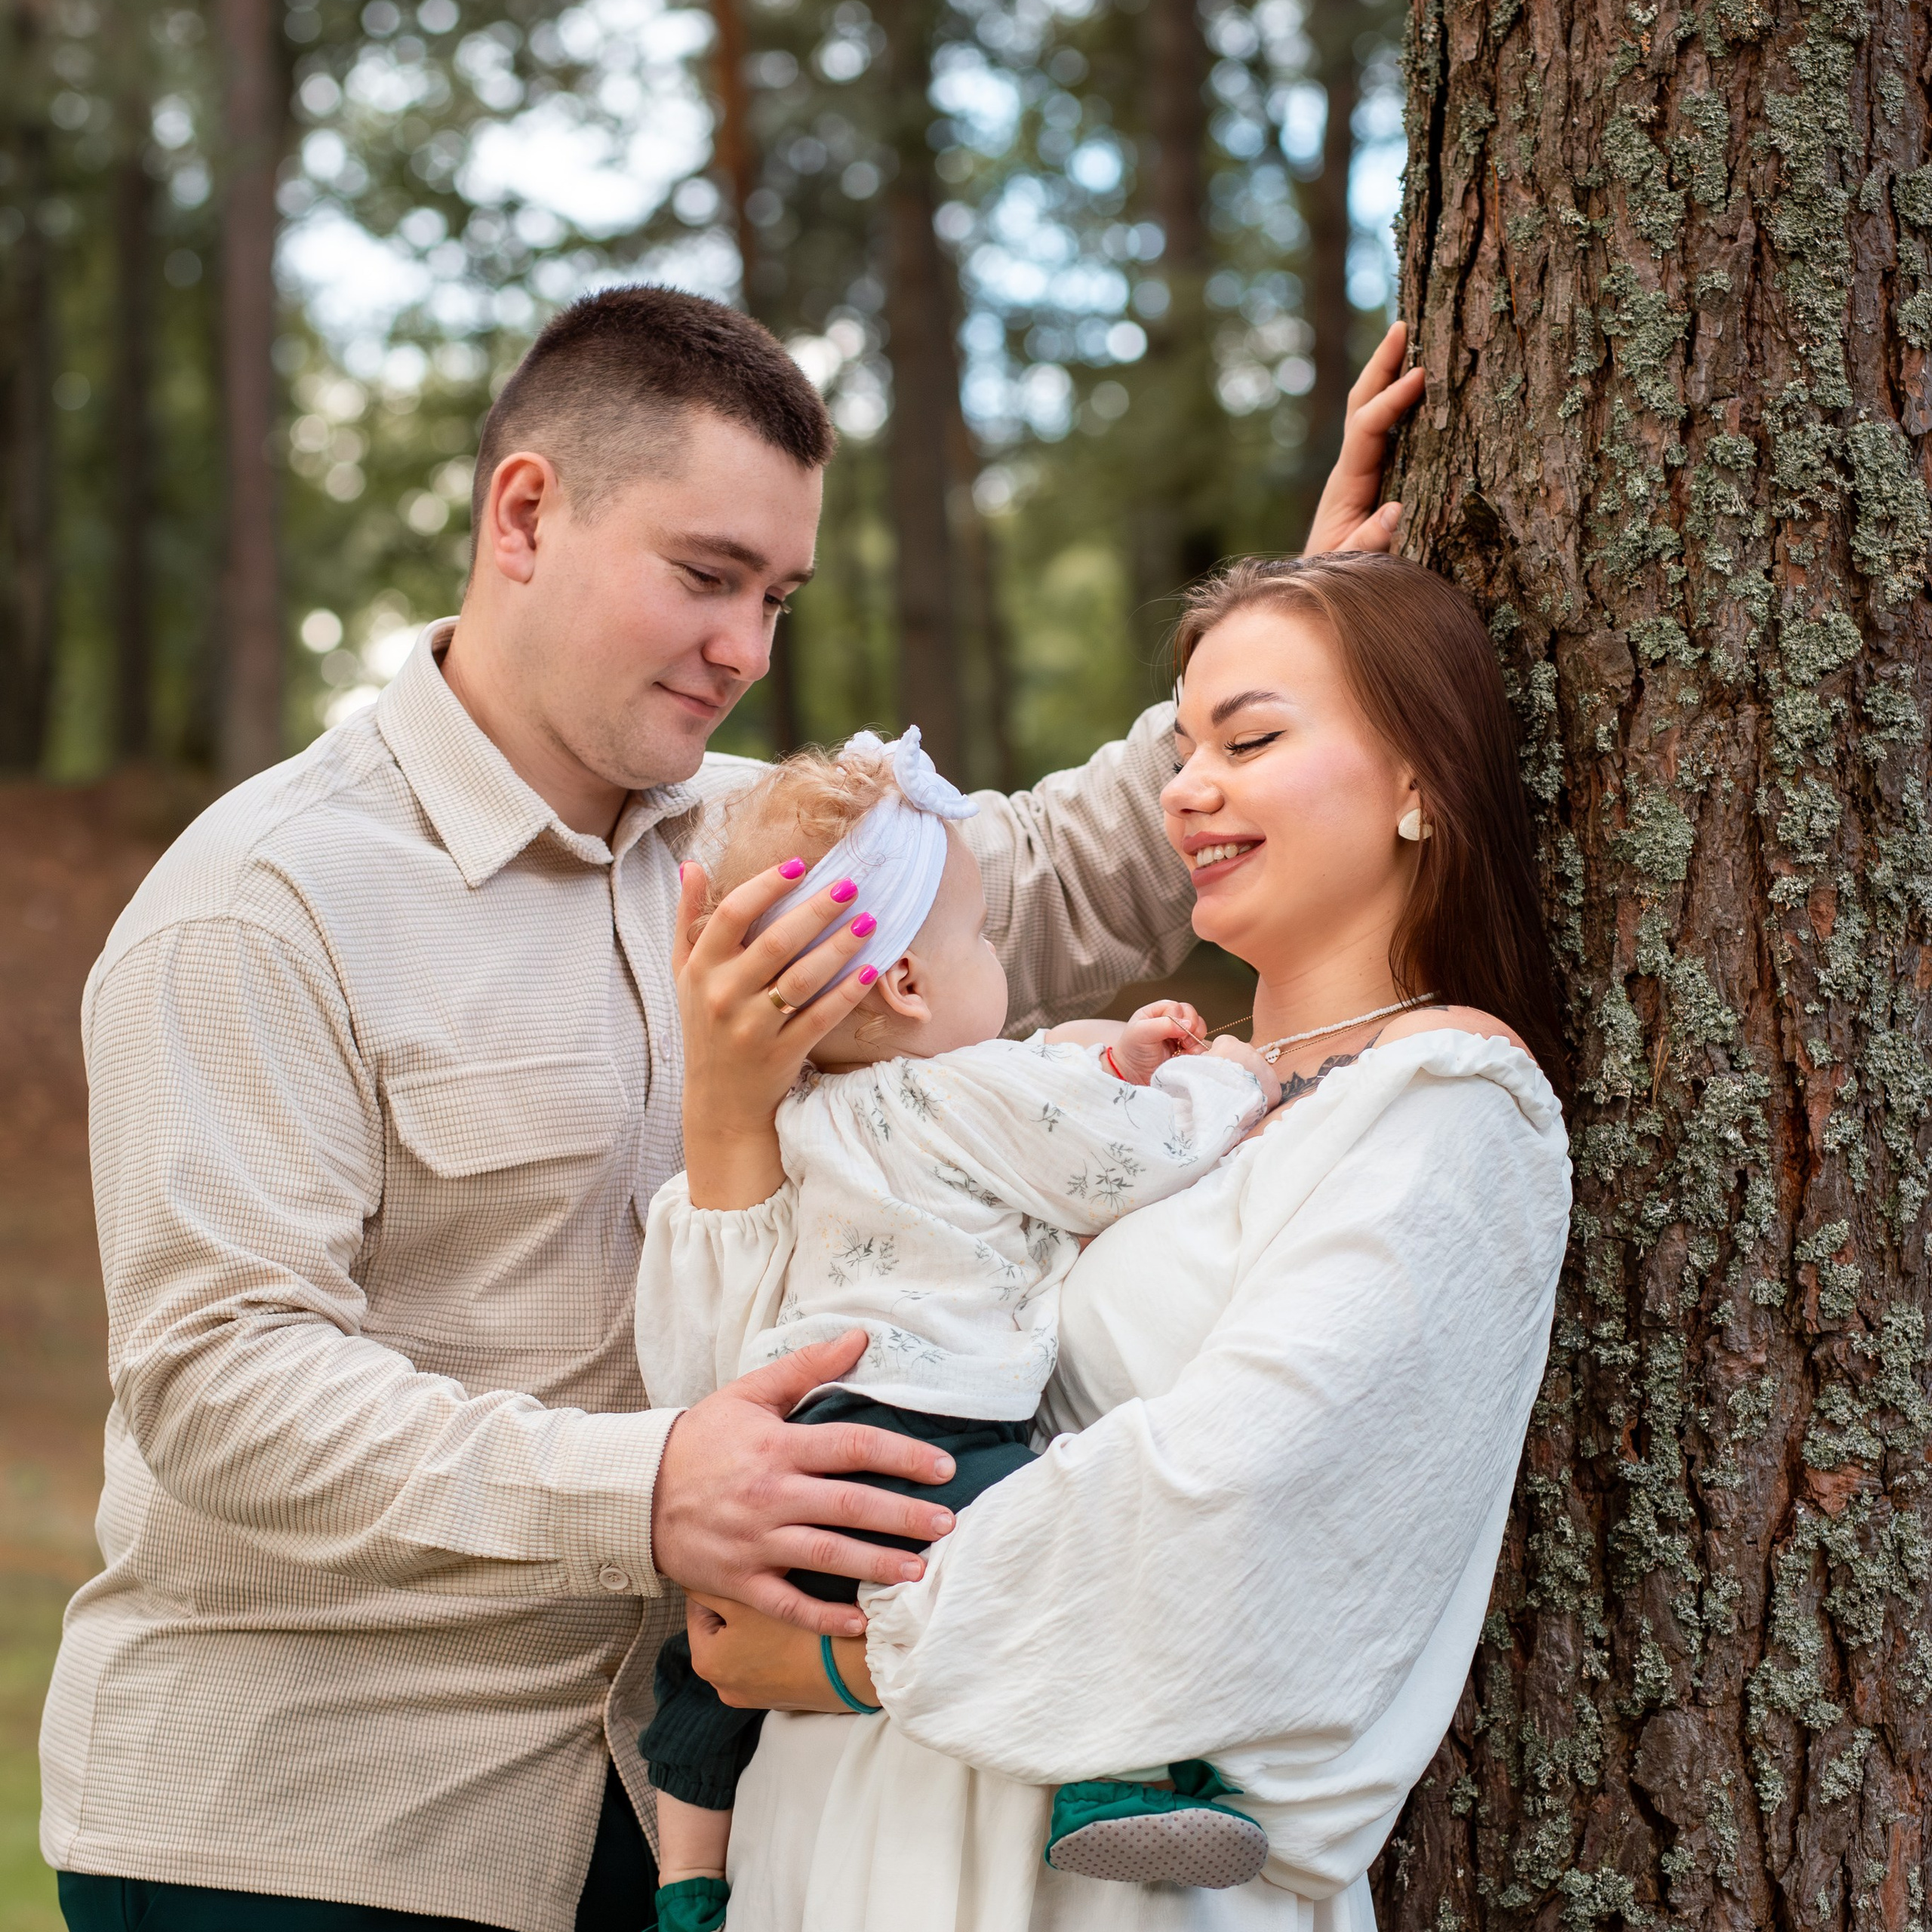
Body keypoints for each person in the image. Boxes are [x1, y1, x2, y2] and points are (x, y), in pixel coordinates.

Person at [40, 282, 1420, 1932]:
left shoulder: (764, 847)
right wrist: (644, 1485)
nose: (745, 649)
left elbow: (1040, 878)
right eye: (703, 576)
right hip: (312, 1837)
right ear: (527, 514)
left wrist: (1315, 621)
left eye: (775, 594)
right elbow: (219, 1384)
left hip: (679, 1820)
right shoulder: (265, 903)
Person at [657, 551, 1574, 1930]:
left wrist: (857, 1654)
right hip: (831, 1848)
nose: (1186, 787)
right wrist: (731, 1121)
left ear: (1417, 784)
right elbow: (750, 1410)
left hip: (1086, 1884)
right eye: (1186, 743)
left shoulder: (1443, 1109)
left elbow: (1246, 1508)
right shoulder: (1109, 1101)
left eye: (1250, 739)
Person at [632, 728, 1276, 1930]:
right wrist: (1229, 1079)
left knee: (698, 1682)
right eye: (980, 938)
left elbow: (691, 1348)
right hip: (927, 1443)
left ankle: (686, 1893)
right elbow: (1129, 1155)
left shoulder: (803, 1120)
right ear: (912, 986)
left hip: (790, 1459)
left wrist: (1115, 1056)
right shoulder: (969, 1086)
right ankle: (1103, 1782)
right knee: (1051, 1556)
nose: (995, 959)